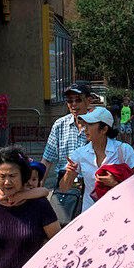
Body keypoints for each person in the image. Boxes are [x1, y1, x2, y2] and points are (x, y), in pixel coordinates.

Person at [60, 106, 134, 268]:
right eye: (83, 124)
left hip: (121, 216)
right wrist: (68, 174)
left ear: (104, 129)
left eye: (90, 125)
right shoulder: (79, 154)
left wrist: (115, 183)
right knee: (100, 267)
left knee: (121, 264)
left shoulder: (123, 150)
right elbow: (64, 189)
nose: (84, 128)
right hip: (93, 216)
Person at [42, 81, 94, 222]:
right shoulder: (60, 125)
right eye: (70, 101)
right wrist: (38, 186)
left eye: (78, 100)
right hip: (65, 183)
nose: (73, 105)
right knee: (62, 225)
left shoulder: (97, 125)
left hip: (91, 183)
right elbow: (47, 159)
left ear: (88, 100)